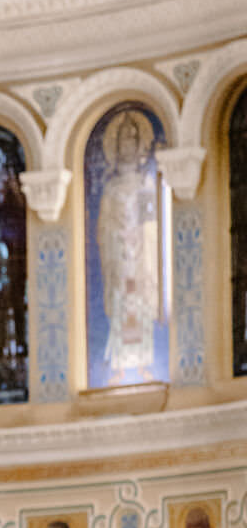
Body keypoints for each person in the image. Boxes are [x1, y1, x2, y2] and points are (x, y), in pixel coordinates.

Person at [95, 108, 159, 384]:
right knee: (123, 308)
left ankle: (144, 364)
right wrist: (117, 239)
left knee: (141, 308)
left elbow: (152, 222)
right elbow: (103, 228)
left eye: (132, 139)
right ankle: (120, 367)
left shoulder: (146, 184)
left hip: (142, 258)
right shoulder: (111, 190)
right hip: (120, 259)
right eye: (122, 140)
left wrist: (140, 238)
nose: (127, 145)